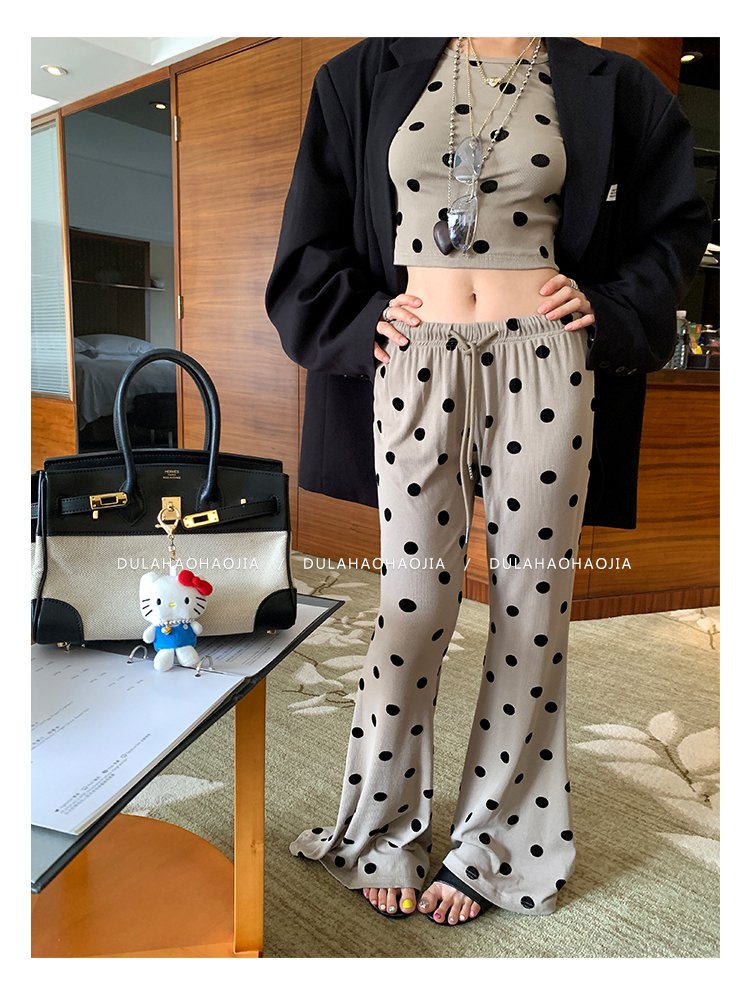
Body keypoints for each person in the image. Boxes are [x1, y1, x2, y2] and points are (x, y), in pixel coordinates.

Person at [265, 36, 711, 926]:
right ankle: (382, 827)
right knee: (412, 603)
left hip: (545, 362)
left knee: (530, 604)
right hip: (415, 359)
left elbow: (674, 225)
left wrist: (612, 307)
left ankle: (498, 842)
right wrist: (358, 319)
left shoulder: (615, 85)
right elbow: (311, 229)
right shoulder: (363, 74)